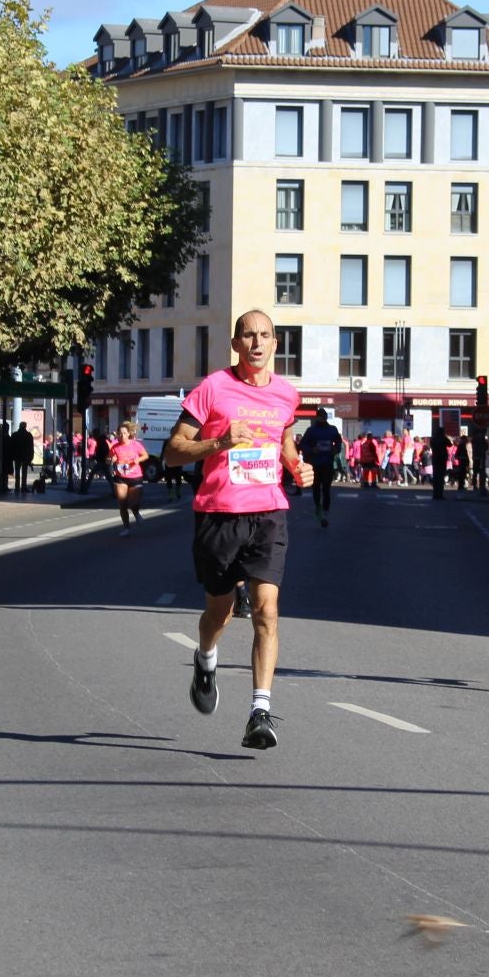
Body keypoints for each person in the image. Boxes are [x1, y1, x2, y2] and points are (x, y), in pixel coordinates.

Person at [164, 311, 313, 751]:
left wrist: (296, 466)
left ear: (275, 344)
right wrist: (220, 442)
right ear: (235, 344)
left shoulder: (286, 394)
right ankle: (205, 657)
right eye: (248, 335)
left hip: (268, 513)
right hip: (219, 515)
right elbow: (173, 452)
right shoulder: (213, 388)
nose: (257, 343)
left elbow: (284, 441)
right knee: (220, 612)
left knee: (267, 610)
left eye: (265, 335)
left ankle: (259, 713)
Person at [296, 408, 343, 526]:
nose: (322, 418)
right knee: (316, 488)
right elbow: (302, 444)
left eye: (324, 416)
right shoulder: (311, 430)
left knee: (326, 489)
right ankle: (318, 506)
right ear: (317, 417)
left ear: (326, 417)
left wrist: (335, 449)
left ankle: (325, 513)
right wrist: (312, 450)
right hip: (315, 464)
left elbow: (339, 442)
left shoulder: (332, 429)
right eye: (320, 416)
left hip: (328, 463)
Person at [108, 420, 149, 535]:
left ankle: (135, 512)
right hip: (121, 476)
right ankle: (126, 528)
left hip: (135, 476)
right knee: (122, 503)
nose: (122, 435)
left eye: (124, 433)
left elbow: (145, 455)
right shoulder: (115, 446)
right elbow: (111, 457)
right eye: (120, 433)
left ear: (129, 434)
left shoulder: (135, 444)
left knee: (134, 503)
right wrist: (111, 459)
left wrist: (138, 459)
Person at [10, 421, 36, 496]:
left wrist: (12, 455)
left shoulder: (15, 435)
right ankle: (23, 487)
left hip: (17, 456)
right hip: (25, 457)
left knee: (17, 472)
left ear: (19, 426)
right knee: (24, 472)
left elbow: (11, 446)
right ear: (25, 426)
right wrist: (31, 457)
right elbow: (31, 447)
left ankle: (17, 487)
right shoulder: (28, 435)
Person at [428, 421, 450, 499]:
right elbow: (450, 444)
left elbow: (431, 445)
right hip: (442, 458)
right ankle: (440, 493)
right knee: (441, 476)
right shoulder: (444, 438)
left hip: (435, 458)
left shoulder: (433, 439)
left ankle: (435, 493)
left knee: (436, 476)